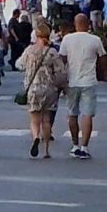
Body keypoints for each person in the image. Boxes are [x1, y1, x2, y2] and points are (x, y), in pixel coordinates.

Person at [56, 12, 107, 159]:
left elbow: (61, 59)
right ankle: (84, 147)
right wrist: (103, 74)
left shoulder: (67, 39)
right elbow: (103, 59)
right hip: (89, 81)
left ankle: (75, 145)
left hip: (72, 81)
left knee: (72, 114)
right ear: (88, 24)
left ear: (75, 24)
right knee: (87, 115)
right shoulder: (95, 40)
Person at [19, 20, 67, 158]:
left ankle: (36, 137)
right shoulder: (52, 52)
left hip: (33, 88)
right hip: (49, 89)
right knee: (46, 120)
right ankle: (46, 150)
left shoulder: (29, 50)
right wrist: (61, 85)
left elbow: (19, 65)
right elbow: (61, 71)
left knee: (35, 120)